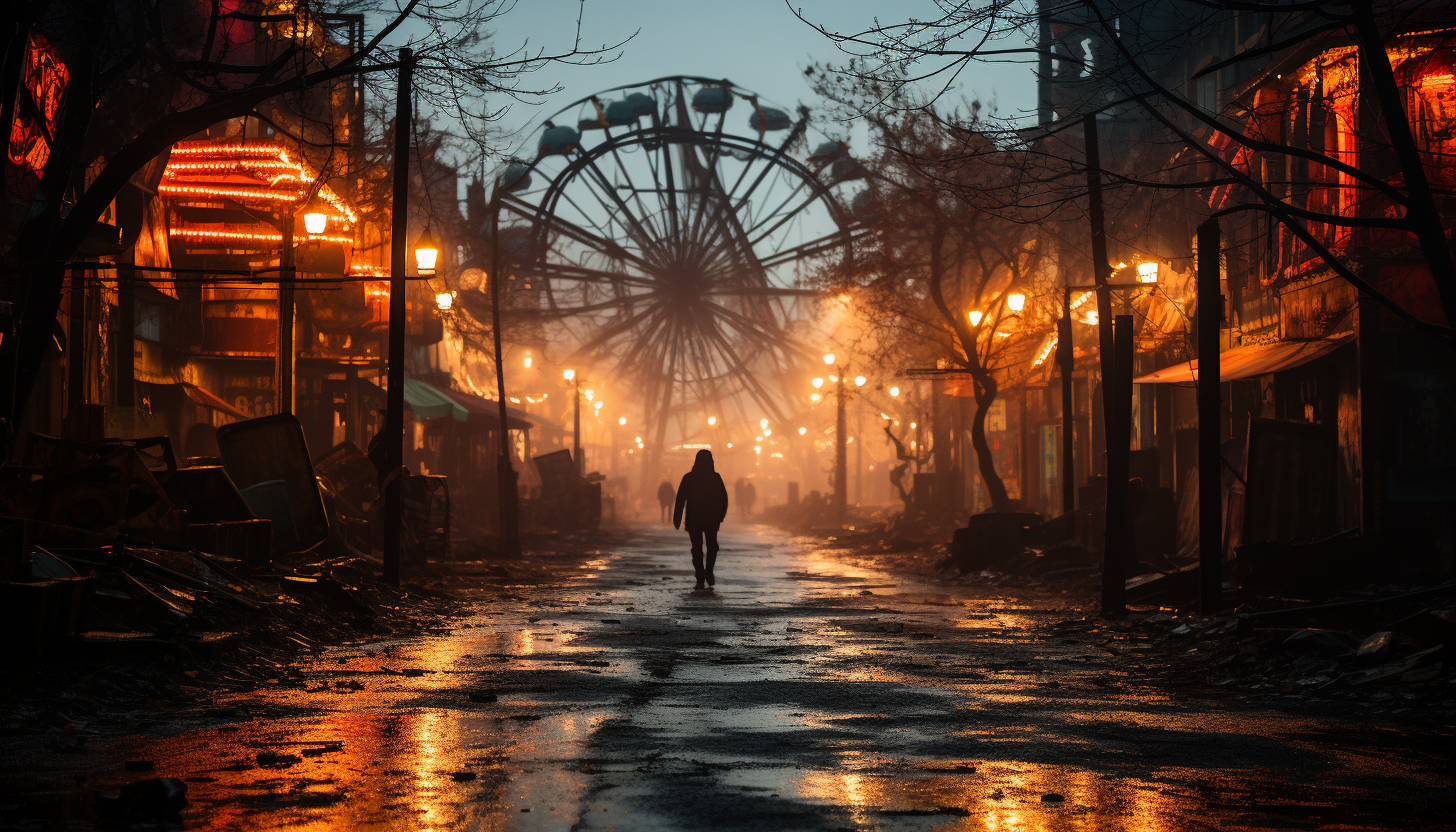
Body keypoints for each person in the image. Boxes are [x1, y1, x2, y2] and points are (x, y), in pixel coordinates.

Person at [673, 449, 729, 589]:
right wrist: (720, 516)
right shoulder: (715, 478)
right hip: (711, 519)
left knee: (697, 547)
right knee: (712, 546)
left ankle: (700, 575)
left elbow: (680, 499)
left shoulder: (689, 477)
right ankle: (708, 572)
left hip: (694, 519)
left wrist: (677, 518)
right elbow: (724, 499)